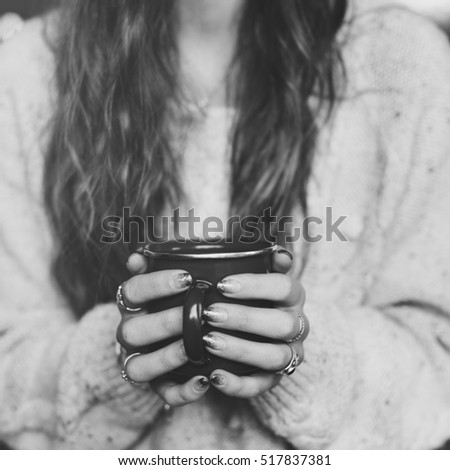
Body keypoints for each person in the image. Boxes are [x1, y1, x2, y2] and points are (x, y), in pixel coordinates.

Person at [1, 0, 450, 450]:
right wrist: (110, 357)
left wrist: (304, 359)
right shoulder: (28, 71)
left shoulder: (401, 63)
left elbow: (438, 361)